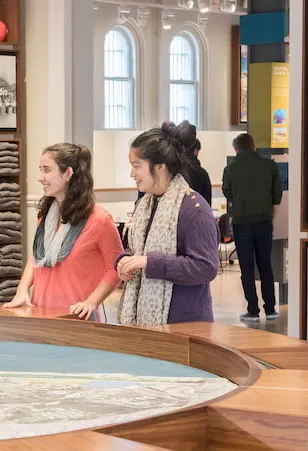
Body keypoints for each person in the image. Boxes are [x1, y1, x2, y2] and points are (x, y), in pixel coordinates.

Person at [3, 143, 123, 320]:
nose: (40, 177)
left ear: (67, 173)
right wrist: (22, 290)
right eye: (40, 170)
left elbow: (115, 268)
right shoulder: (46, 217)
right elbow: (36, 258)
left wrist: (91, 302)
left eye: (46, 170)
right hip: (40, 314)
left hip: (76, 318)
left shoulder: (100, 220)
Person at [116, 121, 219, 325]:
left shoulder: (194, 209)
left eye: (137, 166)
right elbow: (137, 249)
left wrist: (148, 262)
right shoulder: (145, 205)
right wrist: (125, 261)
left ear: (161, 167)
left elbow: (206, 267)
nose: (132, 174)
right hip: (145, 324)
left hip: (184, 325)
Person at [222, 133, 282, 321]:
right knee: (266, 265)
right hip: (264, 221)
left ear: (236, 149)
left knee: (247, 268)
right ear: (254, 146)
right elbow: (278, 195)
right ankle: (271, 309)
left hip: (242, 223)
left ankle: (253, 310)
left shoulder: (230, 169)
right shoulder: (270, 165)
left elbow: (227, 192)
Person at [185, 138, 212, 206]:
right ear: (196, 151)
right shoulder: (202, 173)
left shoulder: (175, 171)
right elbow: (207, 202)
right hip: (197, 212)